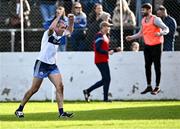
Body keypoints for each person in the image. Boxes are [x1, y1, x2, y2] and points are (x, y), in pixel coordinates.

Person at [15, 13, 74, 118]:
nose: (63, 30)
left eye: (64, 28)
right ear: (56, 27)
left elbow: (70, 30)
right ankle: (19, 109)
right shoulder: (49, 33)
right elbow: (51, 27)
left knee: (60, 86)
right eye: (61, 28)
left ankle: (61, 113)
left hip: (52, 65)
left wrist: (71, 20)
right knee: (34, 89)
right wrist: (59, 16)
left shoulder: (61, 33)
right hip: (41, 64)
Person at [126, 3, 169, 95]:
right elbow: (141, 33)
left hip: (157, 45)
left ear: (149, 10)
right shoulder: (143, 20)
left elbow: (166, 28)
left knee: (157, 66)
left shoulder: (155, 19)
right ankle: (149, 86)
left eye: (144, 10)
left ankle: (157, 87)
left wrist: (161, 33)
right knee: (147, 66)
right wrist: (132, 37)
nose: (142, 11)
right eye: (141, 10)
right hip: (147, 46)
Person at [83, 21, 121, 102]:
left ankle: (88, 91)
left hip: (103, 59)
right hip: (100, 60)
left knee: (106, 79)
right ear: (103, 27)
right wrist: (108, 52)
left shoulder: (105, 36)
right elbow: (97, 49)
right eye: (107, 26)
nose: (109, 28)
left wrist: (115, 50)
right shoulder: (99, 35)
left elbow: (105, 49)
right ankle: (100, 96)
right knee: (106, 79)